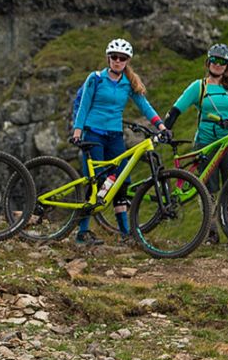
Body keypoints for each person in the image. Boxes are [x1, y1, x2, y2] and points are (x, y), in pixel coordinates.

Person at [69, 38, 169, 246]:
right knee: (97, 181)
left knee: (121, 181)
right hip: (93, 134)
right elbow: (84, 105)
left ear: (127, 61)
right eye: (114, 57)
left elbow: (145, 106)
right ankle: (82, 232)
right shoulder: (96, 78)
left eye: (122, 58)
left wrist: (161, 126)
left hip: (115, 136)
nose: (117, 61)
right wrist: (78, 132)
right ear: (108, 58)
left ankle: (125, 233)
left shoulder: (128, 84)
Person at [162, 43, 228, 233]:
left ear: (227, 66)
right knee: (208, 190)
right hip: (206, 143)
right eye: (214, 60)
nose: (217, 64)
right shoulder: (198, 87)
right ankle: (210, 232)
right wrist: (165, 129)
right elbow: (175, 110)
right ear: (208, 62)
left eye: (222, 62)